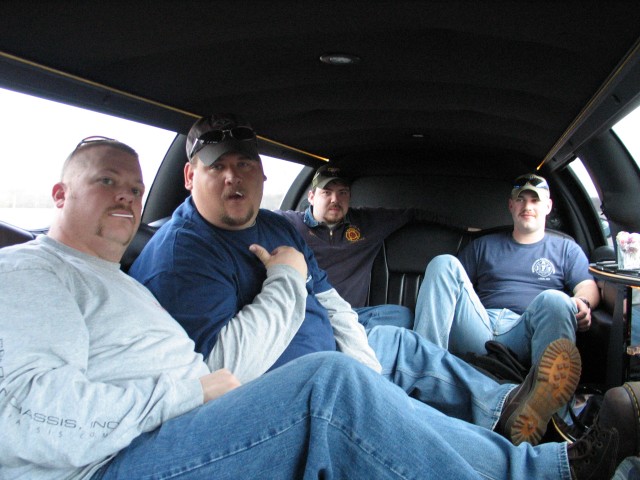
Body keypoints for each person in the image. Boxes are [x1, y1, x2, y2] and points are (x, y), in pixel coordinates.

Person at [0, 137, 626, 480]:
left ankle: (536, 443)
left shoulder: (113, 279)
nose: (129, 197)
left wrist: (357, 360)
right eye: (107, 181)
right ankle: (548, 470)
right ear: (59, 194)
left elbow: (323, 303)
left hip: (171, 425)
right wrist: (185, 393)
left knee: (371, 358)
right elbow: (21, 414)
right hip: (119, 461)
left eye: (135, 187)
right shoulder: (33, 269)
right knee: (328, 388)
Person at [412, 173, 600, 367]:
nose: (527, 207)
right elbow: (449, 287)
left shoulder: (566, 249)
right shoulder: (483, 246)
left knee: (556, 299)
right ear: (511, 205)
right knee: (443, 263)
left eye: (535, 201)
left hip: (527, 331)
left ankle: (548, 393)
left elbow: (587, 286)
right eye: (521, 200)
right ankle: (423, 366)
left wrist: (581, 302)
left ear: (548, 206)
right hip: (478, 327)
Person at [276, 164, 473, 329]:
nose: (335, 199)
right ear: (311, 197)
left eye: (342, 193)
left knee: (401, 315)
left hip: (353, 316)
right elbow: (254, 220)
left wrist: (467, 229)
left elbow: (414, 213)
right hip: (307, 313)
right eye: (326, 192)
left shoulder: (366, 222)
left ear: (349, 197)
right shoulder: (290, 224)